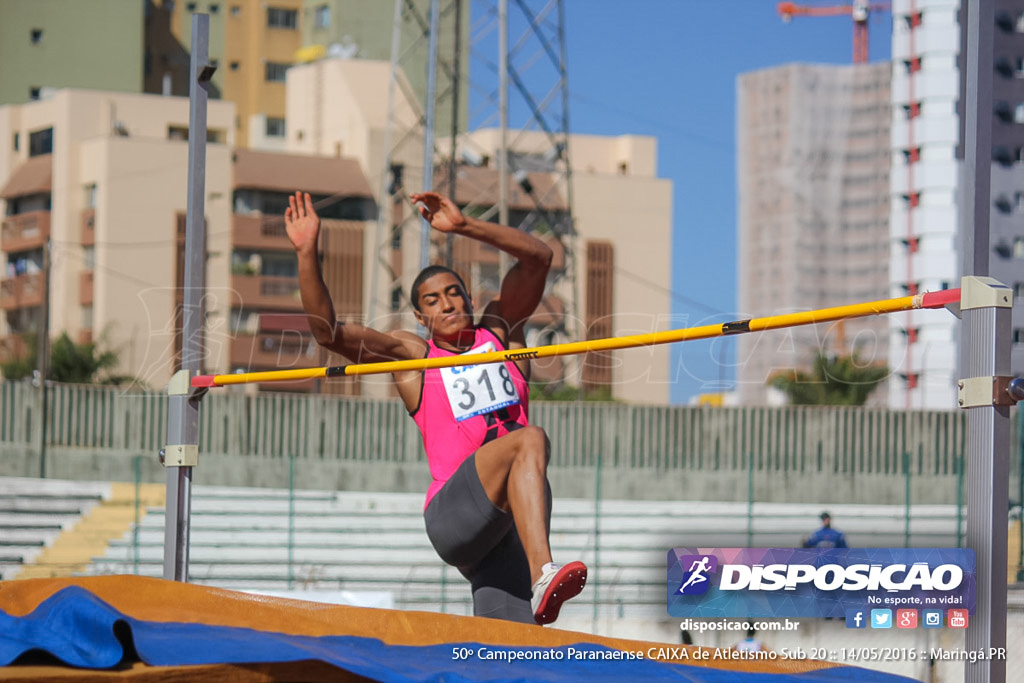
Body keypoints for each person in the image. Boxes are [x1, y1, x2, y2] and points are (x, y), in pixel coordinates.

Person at [284, 190, 587, 625]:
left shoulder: (500, 331)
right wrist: (306, 253)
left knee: (512, 642)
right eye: (433, 300)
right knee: (529, 439)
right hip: (454, 514)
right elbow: (328, 333)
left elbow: (539, 257)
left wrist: (465, 226)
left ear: (468, 298)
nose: (447, 303)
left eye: (454, 293)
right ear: (420, 316)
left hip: (506, 521)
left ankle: (532, 596)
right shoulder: (415, 357)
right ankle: (544, 572)